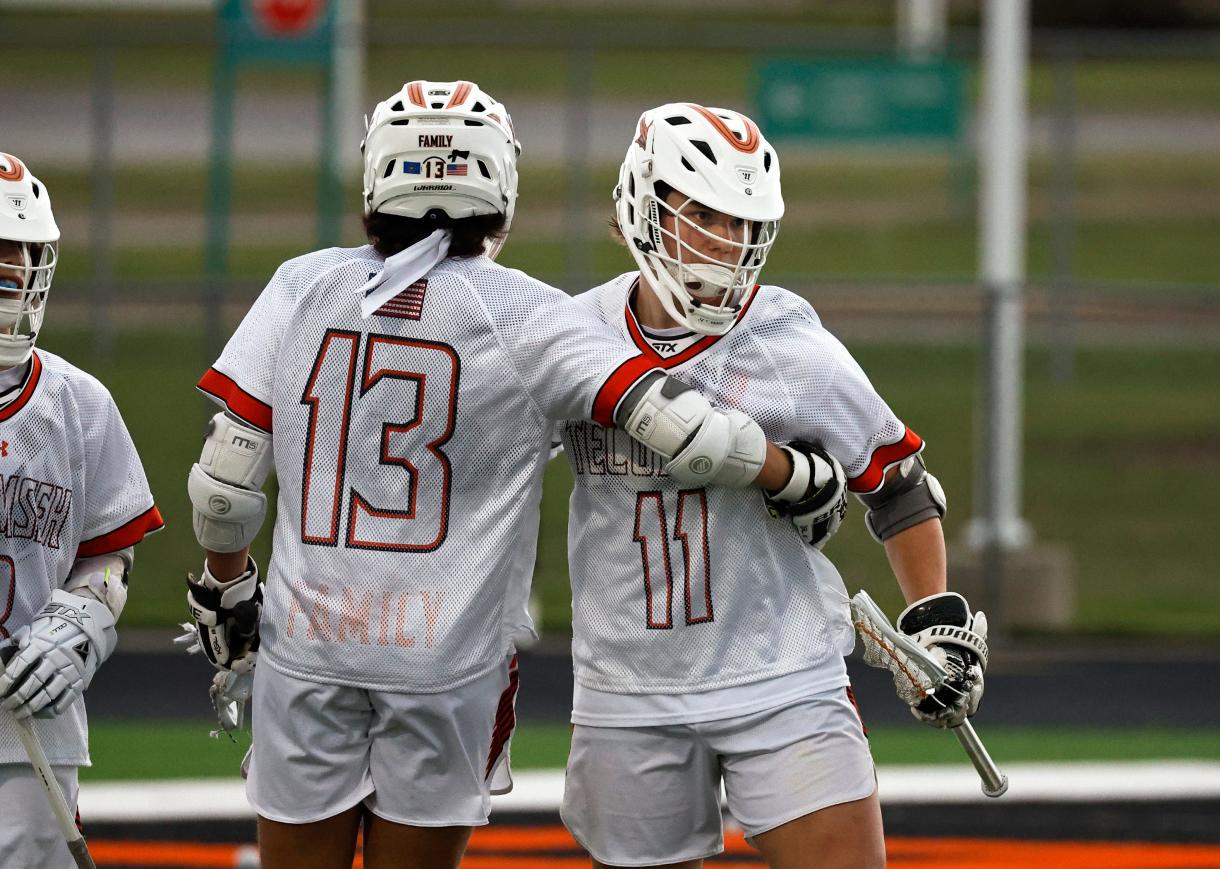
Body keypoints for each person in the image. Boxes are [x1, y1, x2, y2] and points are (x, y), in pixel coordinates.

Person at [180, 82, 827, 869]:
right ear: (499, 182)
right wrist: (792, 473)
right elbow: (680, 428)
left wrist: (228, 588)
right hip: (444, 660)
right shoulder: (526, 312)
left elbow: (224, 484)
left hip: (307, 644)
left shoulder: (303, 281)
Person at [557, 103, 989, 869]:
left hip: (781, 671)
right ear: (640, 208)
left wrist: (931, 616)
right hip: (628, 683)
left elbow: (896, 485)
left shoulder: (791, 344)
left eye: (742, 224)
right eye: (704, 216)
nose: (727, 242)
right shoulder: (568, 335)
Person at [0, 152, 165, 869]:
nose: (8, 271)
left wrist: (79, 623)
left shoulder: (78, 404)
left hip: (30, 727)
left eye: (17, 255)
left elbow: (108, 555)